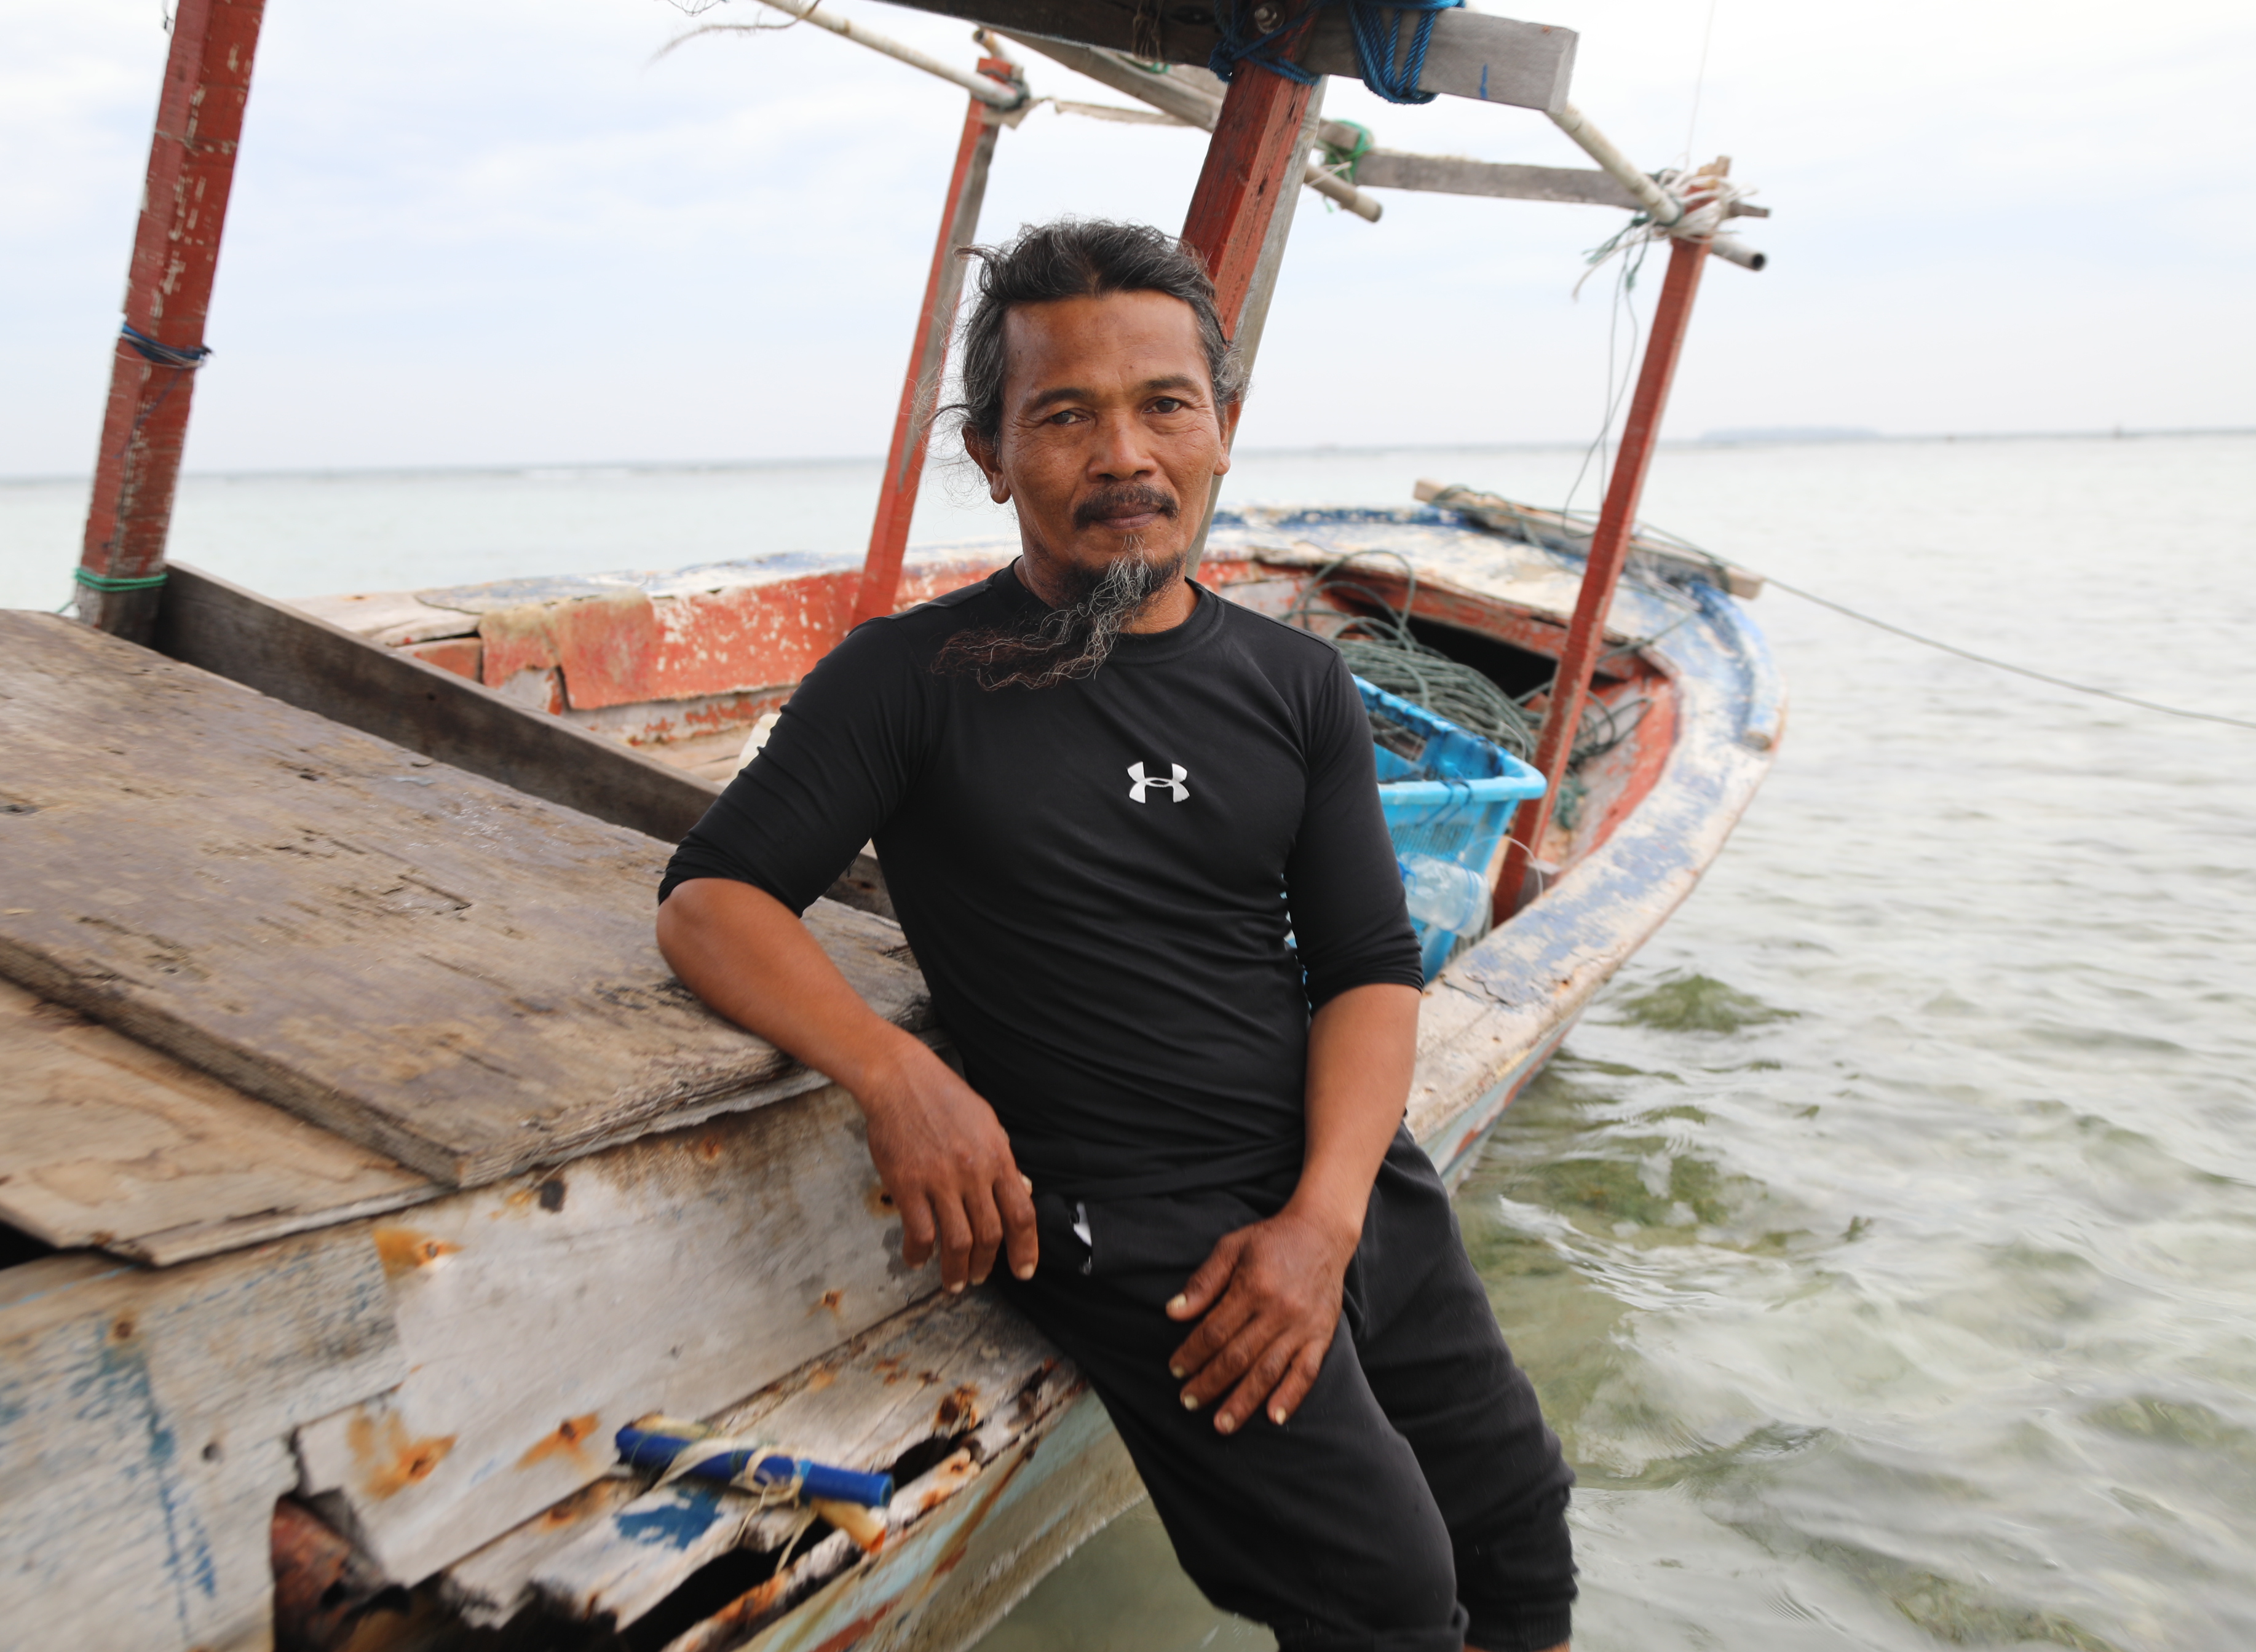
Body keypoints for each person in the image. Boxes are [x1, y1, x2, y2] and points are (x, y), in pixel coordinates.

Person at [655, 218, 1575, 1652]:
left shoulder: (1295, 683)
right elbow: (713, 901)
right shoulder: (914, 679)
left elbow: (1365, 972)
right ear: (991, 453)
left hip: (1343, 1184)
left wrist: (1327, 1222)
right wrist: (897, 1077)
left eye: (1165, 405)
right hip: (1138, 1225)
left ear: (1222, 429)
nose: (1124, 457)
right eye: (1064, 416)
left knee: (1516, 1527)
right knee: (1384, 1591)